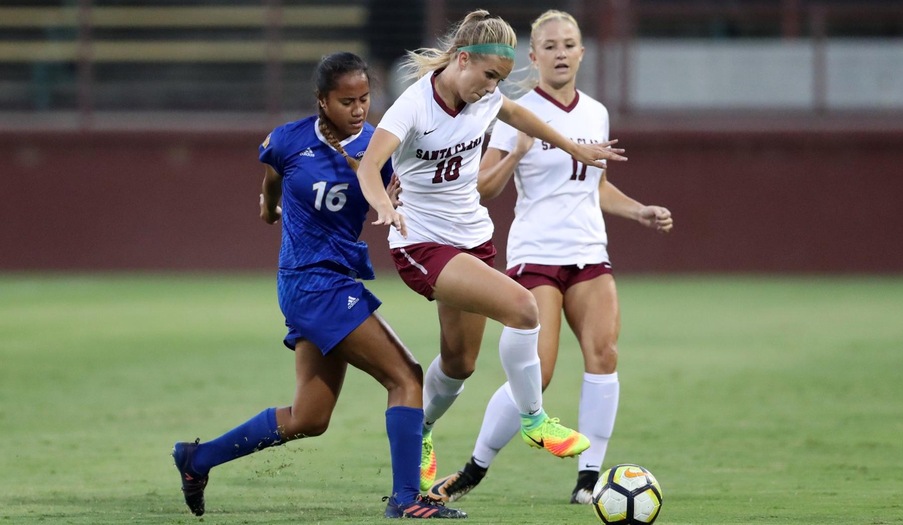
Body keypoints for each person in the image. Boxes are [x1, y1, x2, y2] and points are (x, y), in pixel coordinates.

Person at [170, 52, 466, 520]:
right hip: (312, 283)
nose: (358, 108)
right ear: (322, 101)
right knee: (406, 377)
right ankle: (407, 500)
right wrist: (269, 210)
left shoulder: (377, 147)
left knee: (310, 418)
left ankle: (195, 459)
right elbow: (272, 181)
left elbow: (394, 191)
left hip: (333, 282)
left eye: (365, 98)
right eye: (346, 100)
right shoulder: (288, 140)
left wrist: (391, 199)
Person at [353, 9, 629, 497]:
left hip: (472, 239)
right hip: (422, 242)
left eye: (500, 80)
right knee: (524, 310)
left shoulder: (485, 93)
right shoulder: (413, 106)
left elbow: (521, 114)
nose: (491, 89)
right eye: (487, 77)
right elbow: (370, 167)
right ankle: (534, 420)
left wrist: (574, 149)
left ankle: (419, 430)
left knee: (459, 363)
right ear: (462, 59)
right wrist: (382, 207)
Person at [426, 10, 673, 505]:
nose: (561, 53)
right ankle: (475, 468)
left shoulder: (595, 113)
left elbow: (595, 186)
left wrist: (638, 211)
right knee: (538, 372)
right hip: (535, 254)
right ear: (532, 57)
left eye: (570, 44)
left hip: (589, 252)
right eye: (550, 46)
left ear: (582, 52)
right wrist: (517, 152)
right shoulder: (506, 109)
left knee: (604, 355)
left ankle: (588, 481)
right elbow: (483, 187)